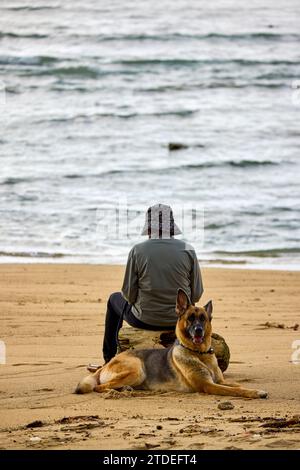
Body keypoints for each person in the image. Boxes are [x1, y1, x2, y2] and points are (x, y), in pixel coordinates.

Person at [102, 203, 203, 364]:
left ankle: (109, 358)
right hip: (180, 320)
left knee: (113, 299)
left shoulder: (138, 250)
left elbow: (128, 294)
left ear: (149, 228)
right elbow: (197, 293)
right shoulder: (188, 249)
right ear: (171, 228)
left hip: (145, 320)